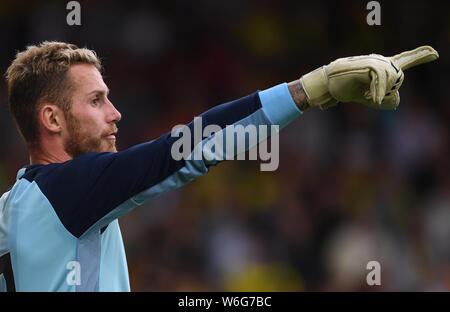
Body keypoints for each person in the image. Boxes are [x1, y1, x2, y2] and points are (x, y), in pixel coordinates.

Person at [0, 42, 438, 291]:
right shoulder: (68, 190)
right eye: (96, 101)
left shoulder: (12, 208)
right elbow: (185, 149)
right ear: (52, 118)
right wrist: (314, 88)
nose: (115, 113)